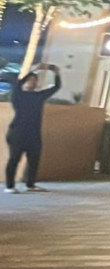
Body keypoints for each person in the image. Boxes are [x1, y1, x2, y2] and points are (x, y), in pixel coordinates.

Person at [5, 63, 61, 193]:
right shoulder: (18, 95)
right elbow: (18, 83)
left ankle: (30, 184)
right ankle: (9, 186)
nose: (33, 82)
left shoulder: (39, 96)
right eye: (30, 80)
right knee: (14, 159)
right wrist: (33, 70)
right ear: (25, 82)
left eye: (35, 80)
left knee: (34, 160)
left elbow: (56, 87)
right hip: (17, 132)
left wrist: (56, 73)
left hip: (34, 133)